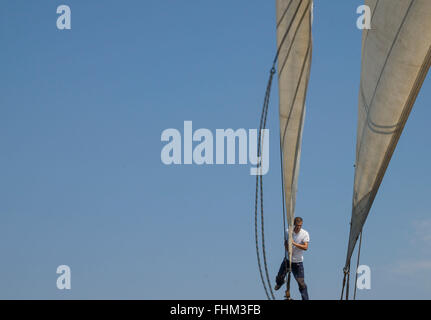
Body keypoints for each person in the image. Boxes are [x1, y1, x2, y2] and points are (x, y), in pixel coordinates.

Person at [274, 216, 310, 300]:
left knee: (301, 283)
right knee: (279, 277)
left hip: (298, 262)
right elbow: (285, 243)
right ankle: (280, 282)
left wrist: (294, 244)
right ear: (294, 225)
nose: (299, 227)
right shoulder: (288, 232)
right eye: (297, 225)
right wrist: (288, 249)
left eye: (300, 225)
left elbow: (305, 247)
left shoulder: (304, 234)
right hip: (288, 259)